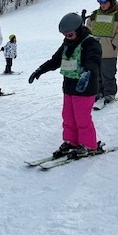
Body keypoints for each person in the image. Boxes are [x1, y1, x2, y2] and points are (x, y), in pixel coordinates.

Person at [28, 12, 103, 158]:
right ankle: (72, 142)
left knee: (82, 118)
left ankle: (89, 145)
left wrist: (86, 74)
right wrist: (40, 70)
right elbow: (56, 60)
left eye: (69, 34)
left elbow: (93, 61)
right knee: (68, 117)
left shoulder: (90, 42)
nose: (67, 37)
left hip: (84, 87)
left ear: (78, 29)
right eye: (65, 35)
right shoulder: (67, 42)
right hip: (69, 86)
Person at [85, 0, 118, 105]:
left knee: (108, 73)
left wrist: (114, 44)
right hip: (95, 50)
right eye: (100, 3)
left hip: (109, 51)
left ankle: (110, 93)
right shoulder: (94, 15)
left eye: (105, 3)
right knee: (96, 73)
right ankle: (99, 91)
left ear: (111, 2)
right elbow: (88, 28)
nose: (102, 5)